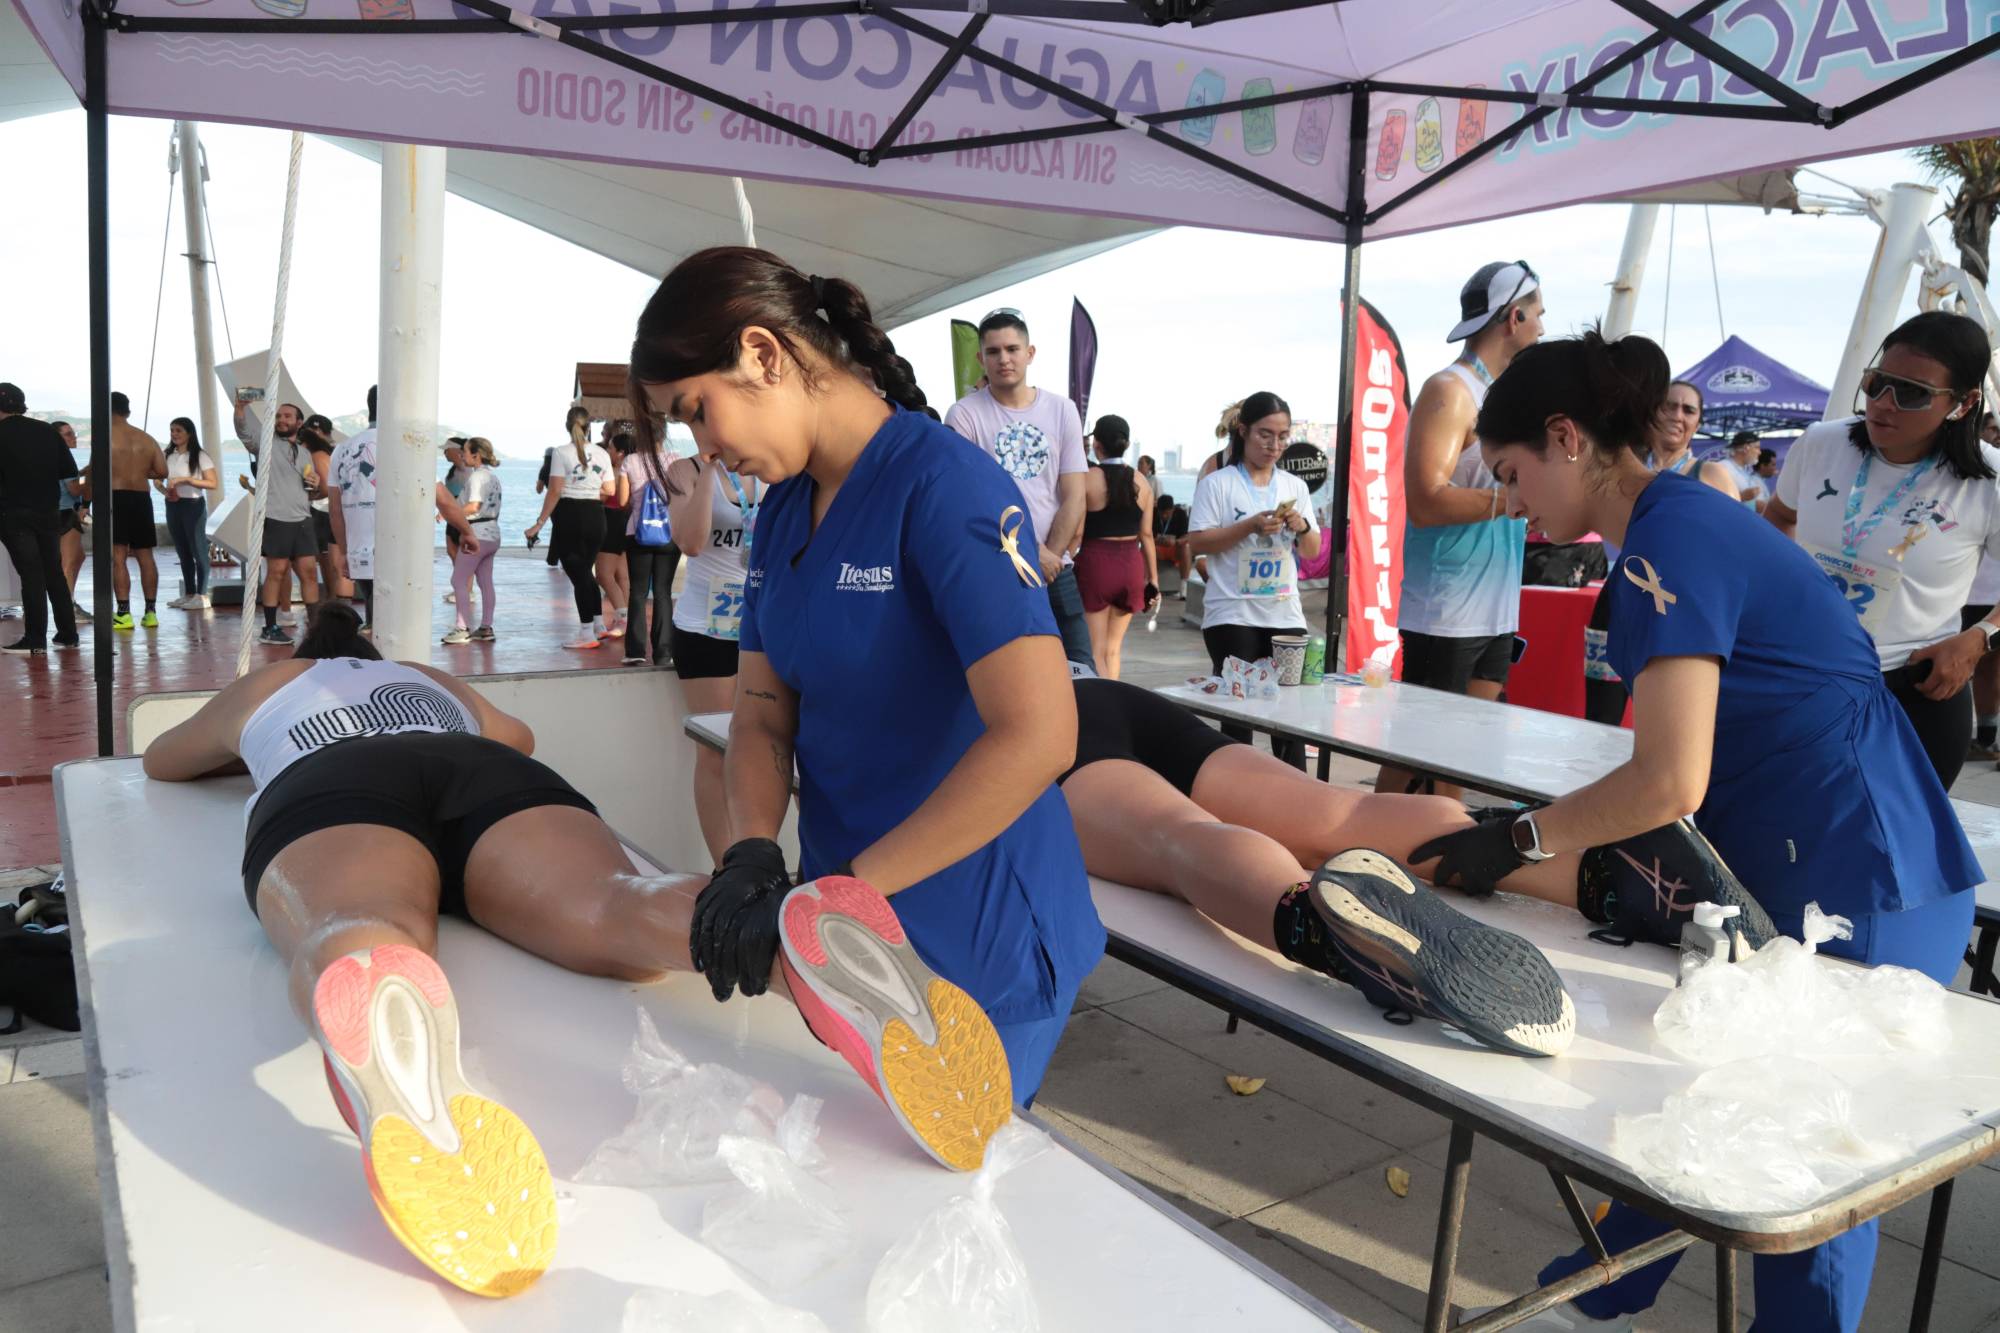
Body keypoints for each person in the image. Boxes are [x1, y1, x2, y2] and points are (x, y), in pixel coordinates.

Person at [140, 603, 1015, 1297]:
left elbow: (162, 758)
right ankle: (776, 941)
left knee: (361, 917)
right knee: (615, 908)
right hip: (486, 772)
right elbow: (514, 736)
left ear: (305, 647)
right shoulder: (424, 675)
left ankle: (368, 980)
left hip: (333, 779)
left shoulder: (275, 681)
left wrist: (249, 736)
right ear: (372, 648)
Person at [1413, 328, 1979, 1333]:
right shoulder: (1672, 525)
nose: (1513, 501)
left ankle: (1612, 1303)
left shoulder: (1671, 535)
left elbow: (1667, 778)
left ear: (1565, 437)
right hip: (1804, 845)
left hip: (1860, 872)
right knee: (1707, 1104)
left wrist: (1517, 839)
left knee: (1800, 1171)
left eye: (1510, 474)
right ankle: (1596, 1297)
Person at [630, 246, 1103, 1105]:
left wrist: (841, 898)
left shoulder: (944, 484)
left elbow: (1041, 732)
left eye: (698, 411)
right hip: (851, 934)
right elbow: (763, 714)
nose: (706, 447)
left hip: (974, 929)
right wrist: (749, 852)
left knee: (953, 1195)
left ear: (764, 355)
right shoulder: (781, 514)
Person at [1764, 311, 1996, 790]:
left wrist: (1979, 638)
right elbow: (1779, 519)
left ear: (1963, 402)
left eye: (1911, 393)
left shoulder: (1987, 481)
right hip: (1806, 675)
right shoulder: (1821, 444)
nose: (1883, 404)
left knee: (1903, 847)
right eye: (1877, 383)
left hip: (1917, 687)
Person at [1379, 261, 1540, 798]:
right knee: (1414, 752)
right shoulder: (1451, 390)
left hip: (1494, 608)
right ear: (1513, 318)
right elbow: (1425, 501)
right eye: (1538, 314)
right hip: (1445, 612)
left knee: (1462, 755)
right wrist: (1512, 499)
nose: (1543, 325)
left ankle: (1440, 858)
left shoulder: (1505, 396)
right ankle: (1357, 850)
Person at [944, 309, 1093, 668]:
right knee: (1011, 677)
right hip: (996, 569)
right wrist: (1028, 553)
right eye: (993, 352)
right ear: (981, 358)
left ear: (1030, 353)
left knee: (1084, 675)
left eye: (1012, 349)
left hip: (1057, 569)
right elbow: (968, 500)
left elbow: (1074, 494)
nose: (1004, 359)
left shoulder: (1062, 410)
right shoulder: (964, 415)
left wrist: (1050, 558)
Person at [1186, 391, 1321, 766]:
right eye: (1265, 434)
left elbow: (1311, 549)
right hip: (1233, 613)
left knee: (1290, 720)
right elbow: (1198, 541)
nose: (1274, 445)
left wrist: (1303, 526)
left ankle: (1297, 799)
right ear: (1243, 431)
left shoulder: (1295, 487)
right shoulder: (1219, 483)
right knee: (1238, 719)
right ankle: (1237, 794)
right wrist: (1248, 526)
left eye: (1282, 436)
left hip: (1284, 615)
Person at [661, 441, 760, 863]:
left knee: (768, 744)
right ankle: (726, 867)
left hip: (762, 625)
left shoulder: (769, 464)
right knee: (717, 748)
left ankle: (764, 857)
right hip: (707, 628)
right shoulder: (684, 471)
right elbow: (691, 542)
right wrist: (706, 473)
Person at [235, 394, 326, 646]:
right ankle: (270, 626)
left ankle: (316, 627)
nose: (281, 420)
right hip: (276, 517)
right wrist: (240, 409)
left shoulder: (305, 454)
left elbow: (313, 491)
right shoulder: (266, 443)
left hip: (303, 518)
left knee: (309, 571)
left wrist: (316, 485)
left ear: (299, 422)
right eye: (278, 416)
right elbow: (244, 434)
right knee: (277, 571)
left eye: (287, 416)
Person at [524, 407, 615, 650]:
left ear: (567, 425)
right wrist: (589, 491)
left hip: (569, 516)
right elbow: (611, 490)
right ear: (588, 427)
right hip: (596, 515)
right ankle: (598, 625)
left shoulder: (560, 453)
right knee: (586, 572)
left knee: (579, 575)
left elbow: (554, 491)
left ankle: (586, 634)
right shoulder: (603, 453)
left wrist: (539, 523)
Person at [1075, 414, 1157, 679]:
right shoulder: (1142, 482)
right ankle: (1117, 705)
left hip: (1095, 563)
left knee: (1095, 649)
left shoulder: (1088, 478)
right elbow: (1146, 535)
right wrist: (1153, 579)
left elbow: (1076, 532)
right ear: (1126, 443)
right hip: (1130, 565)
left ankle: (1104, 709)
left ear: (1097, 445)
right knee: (1113, 650)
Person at [0, 383, 81, 654]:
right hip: (48, 511)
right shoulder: (46, 431)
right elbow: (68, 472)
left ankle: (35, 639)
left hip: (12, 513)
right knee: (53, 572)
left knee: (31, 575)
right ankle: (68, 634)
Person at [617, 424, 680, 666]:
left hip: (638, 533)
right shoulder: (676, 461)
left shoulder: (630, 461)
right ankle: (664, 653)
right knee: (663, 592)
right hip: (669, 533)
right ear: (665, 435)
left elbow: (623, 500)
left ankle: (635, 650)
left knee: (638, 592)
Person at [106, 391, 168, 630]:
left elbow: (96, 471)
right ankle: (151, 613)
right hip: (142, 498)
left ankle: (123, 613)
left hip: (116, 496)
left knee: (118, 557)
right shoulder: (146, 438)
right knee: (146, 556)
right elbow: (162, 471)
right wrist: (141, 472)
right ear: (127, 411)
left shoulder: (105, 435)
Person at [325, 386, 377, 625]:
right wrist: (466, 530)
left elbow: (335, 509)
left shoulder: (341, 450)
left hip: (360, 549)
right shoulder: (404, 446)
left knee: (373, 603)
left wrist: (345, 551)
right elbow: (440, 496)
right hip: (396, 549)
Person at [442, 438, 502, 645]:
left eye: (465, 452)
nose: (462, 455)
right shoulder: (492, 478)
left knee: (458, 581)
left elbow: (474, 506)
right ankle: (486, 627)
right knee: (485, 582)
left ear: (476, 455)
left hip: (477, 534)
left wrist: (448, 514)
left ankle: (461, 627)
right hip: (493, 534)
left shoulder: (476, 477)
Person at [156, 416, 217, 610]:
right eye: (172, 430)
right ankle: (189, 593)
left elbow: (212, 483)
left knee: (198, 549)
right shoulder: (167, 455)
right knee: (182, 550)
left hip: (193, 505)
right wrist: (164, 490)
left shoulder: (200, 456)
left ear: (189, 433)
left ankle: (202, 595)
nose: (174, 434)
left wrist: (187, 480)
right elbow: (157, 479)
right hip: (173, 505)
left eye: (178, 431)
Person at [1643, 380, 1736, 495]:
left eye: (1689, 411)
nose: (1677, 417)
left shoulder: (1713, 474)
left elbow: (1734, 513)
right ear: (1653, 414)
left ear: (1697, 426)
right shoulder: (1628, 469)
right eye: (1669, 406)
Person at [595, 423, 633, 644]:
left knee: (603, 575)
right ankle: (628, 616)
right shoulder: (628, 471)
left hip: (611, 522)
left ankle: (622, 617)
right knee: (622, 575)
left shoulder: (617, 473)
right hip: (624, 523)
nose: (607, 452)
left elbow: (611, 498)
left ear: (619, 453)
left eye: (610, 448)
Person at [53, 420, 89, 619]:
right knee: (68, 562)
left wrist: (82, 473)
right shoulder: (65, 458)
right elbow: (74, 489)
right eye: (68, 434)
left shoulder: (51, 458)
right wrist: (92, 483)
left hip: (53, 511)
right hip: (67, 512)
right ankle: (67, 610)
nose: (74, 437)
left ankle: (70, 602)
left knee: (79, 556)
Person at [1725, 429, 1765, 508]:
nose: (1760, 452)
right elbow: (1716, 499)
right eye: (1757, 448)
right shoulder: (1724, 467)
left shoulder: (1744, 471)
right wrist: (1742, 496)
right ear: (1746, 448)